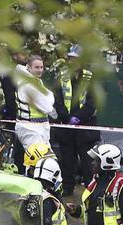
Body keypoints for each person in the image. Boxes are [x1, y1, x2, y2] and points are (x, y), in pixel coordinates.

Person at [52, 44, 100, 196]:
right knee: (67, 161)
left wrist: (78, 117)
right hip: (66, 127)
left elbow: (93, 102)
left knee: (88, 162)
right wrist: (67, 118)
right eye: (71, 59)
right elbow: (57, 100)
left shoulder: (91, 77)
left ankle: (90, 189)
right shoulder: (62, 76)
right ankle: (67, 189)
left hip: (85, 127)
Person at [15, 55, 58, 151]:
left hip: (40, 127)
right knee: (38, 161)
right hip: (30, 128)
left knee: (47, 161)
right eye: (37, 67)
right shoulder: (28, 85)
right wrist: (49, 98)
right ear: (29, 67)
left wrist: (48, 97)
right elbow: (47, 107)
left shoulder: (36, 81)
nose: (40, 70)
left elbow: (48, 96)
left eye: (41, 67)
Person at [0, 52, 29, 173]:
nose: (25, 56)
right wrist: (14, 114)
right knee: (17, 147)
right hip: (16, 116)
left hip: (25, 116)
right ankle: (17, 169)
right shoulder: (9, 74)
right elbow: (10, 97)